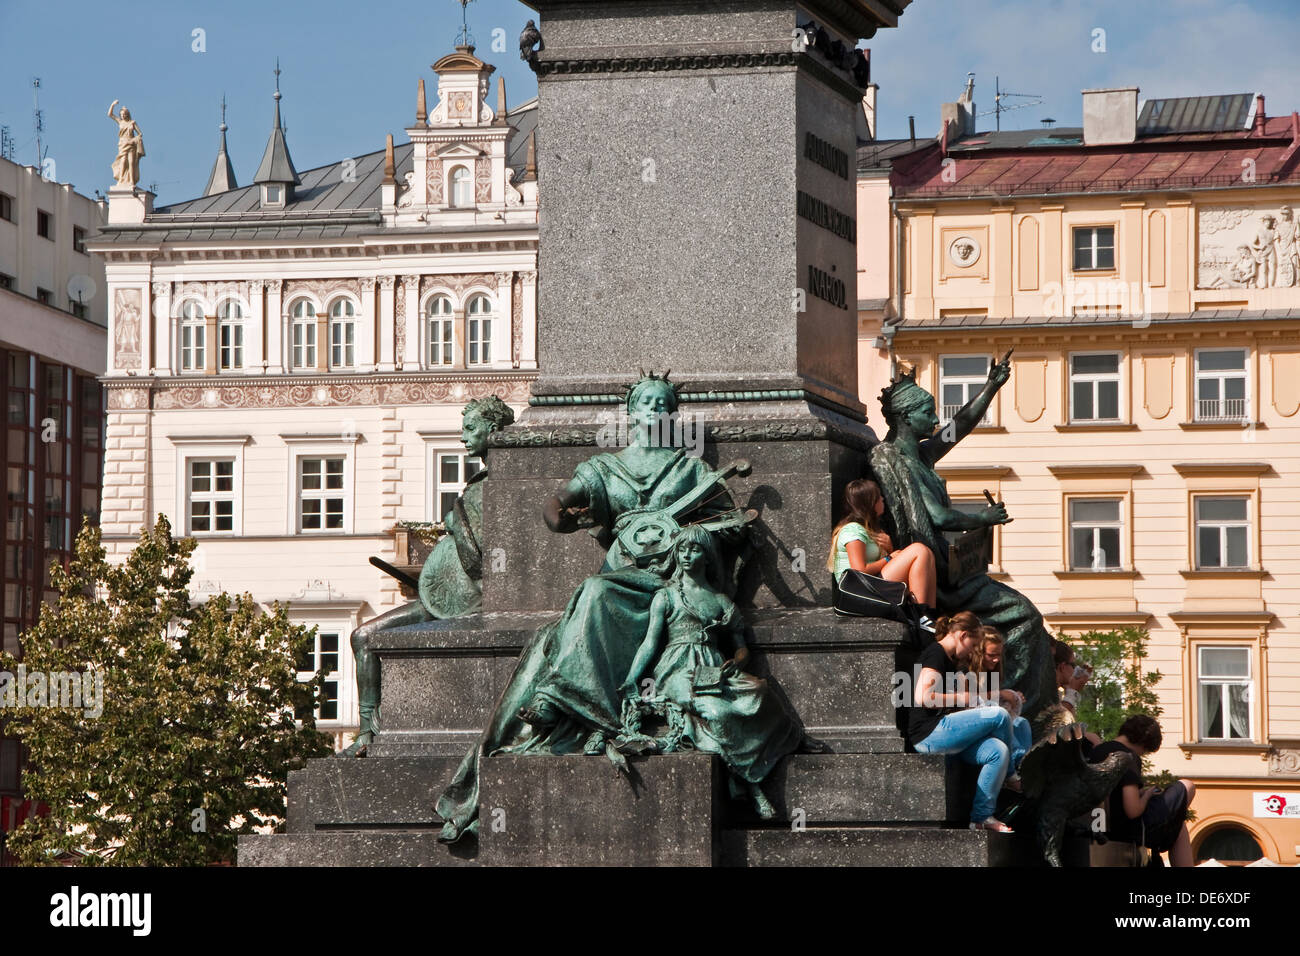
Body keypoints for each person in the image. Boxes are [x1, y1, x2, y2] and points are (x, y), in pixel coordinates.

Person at [436, 372, 743, 843]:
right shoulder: (604, 468)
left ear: (672, 415)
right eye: (646, 403)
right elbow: (558, 504)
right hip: (623, 573)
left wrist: (699, 541)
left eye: (664, 405)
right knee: (596, 591)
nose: (655, 411)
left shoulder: (692, 471)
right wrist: (559, 514)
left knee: (594, 595)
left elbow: (729, 524)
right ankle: (568, 698)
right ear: (631, 412)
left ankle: (562, 697)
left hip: (671, 578)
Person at [870, 360, 1059, 716]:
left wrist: (991, 386)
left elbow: (961, 426)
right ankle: (1022, 707)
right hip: (939, 578)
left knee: (1018, 617)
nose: (936, 417)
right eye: (928, 411)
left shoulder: (922, 454)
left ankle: (1019, 707)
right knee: (1024, 616)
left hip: (950, 567)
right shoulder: (896, 460)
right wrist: (982, 517)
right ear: (907, 418)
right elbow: (938, 517)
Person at [338, 395, 515, 757]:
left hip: (471, 605)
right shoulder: (480, 482)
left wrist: (455, 524)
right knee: (362, 637)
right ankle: (368, 732)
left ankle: (375, 736)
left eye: (470, 428)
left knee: (366, 637)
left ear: (494, 430)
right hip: (442, 601)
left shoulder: (504, 484)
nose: (463, 436)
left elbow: (486, 563)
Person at [622, 525, 803, 817]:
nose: (686, 555)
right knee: (717, 713)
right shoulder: (666, 596)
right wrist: (632, 680)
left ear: (707, 557)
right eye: (682, 549)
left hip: (714, 668)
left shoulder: (720, 600)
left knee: (760, 692)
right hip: (677, 669)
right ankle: (750, 784)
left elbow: (741, 646)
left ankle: (750, 768)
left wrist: (738, 662)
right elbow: (649, 643)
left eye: (694, 550)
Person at [908, 611, 1017, 832]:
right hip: (929, 734)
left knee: (998, 750)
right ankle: (1012, 777)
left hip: (946, 734)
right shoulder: (936, 654)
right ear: (963, 635)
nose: (971, 652)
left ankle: (981, 818)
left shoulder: (950, 660)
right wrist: (961, 698)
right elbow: (922, 697)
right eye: (973, 645)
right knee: (999, 715)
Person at [1088, 715, 1196, 867]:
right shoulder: (1128, 757)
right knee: (1187, 786)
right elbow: (1133, 810)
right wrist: (1147, 794)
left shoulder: (1097, 751)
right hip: (1128, 831)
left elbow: (1114, 796)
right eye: (1144, 752)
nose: (1142, 755)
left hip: (1101, 828)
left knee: (1178, 819)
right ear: (1144, 744)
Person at [826, 478, 938, 615]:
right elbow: (859, 570)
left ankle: (930, 615)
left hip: (872, 584)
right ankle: (920, 614)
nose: (882, 499)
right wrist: (889, 558)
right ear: (870, 503)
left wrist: (890, 550)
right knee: (919, 550)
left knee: (927, 553)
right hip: (859, 589)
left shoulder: (870, 529)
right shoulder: (852, 530)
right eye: (878, 497)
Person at [972, 627, 1031, 770]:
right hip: (976, 722)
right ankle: (1020, 761)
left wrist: (1013, 697)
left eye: (998, 655)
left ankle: (1027, 761)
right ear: (979, 653)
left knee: (1021, 723)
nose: (996, 659)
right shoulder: (968, 671)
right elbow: (969, 699)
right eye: (991, 655)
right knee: (1004, 719)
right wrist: (1002, 694)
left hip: (992, 718)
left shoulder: (992, 673)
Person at [1053, 638, 1101, 748]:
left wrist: (1069, 689)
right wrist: (1072, 692)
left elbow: (1070, 722)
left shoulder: (1059, 691)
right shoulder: (1047, 690)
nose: (1075, 670)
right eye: (1073, 665)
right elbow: (1056, 723)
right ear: (1062, 666)